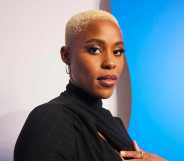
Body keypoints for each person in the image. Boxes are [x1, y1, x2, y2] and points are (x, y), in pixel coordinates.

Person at [14, 10, 167, 161]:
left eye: (117, 51)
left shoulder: (115, 125)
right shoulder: (50, 119)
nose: (110, 63)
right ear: (66, 55)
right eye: (95, 50)